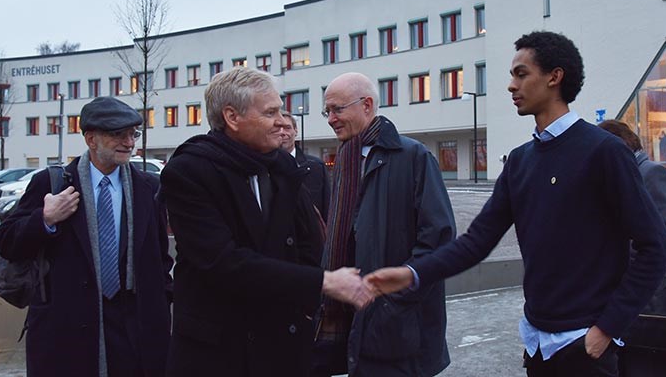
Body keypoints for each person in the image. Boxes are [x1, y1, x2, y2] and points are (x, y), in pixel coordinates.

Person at [367, 31, 666, 377]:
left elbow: (655, 246)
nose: (511, 85)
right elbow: (476, 242)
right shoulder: (520, 161)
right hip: (537, 343)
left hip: (585, 345)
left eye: (521, 74)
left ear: (555, 77)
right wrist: (412, 273)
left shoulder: (604, 152)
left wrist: (607, 328)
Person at [158, 67, 372, 377]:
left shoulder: (282, 164)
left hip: (282, 345)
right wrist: (324, 282)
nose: (282, 121)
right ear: (232, 117)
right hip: (220, 353)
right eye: (270, 112)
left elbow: (308, 244)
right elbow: (224, 263)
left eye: (281, 111)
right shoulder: (188, 172)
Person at [0, 96, 174, 377]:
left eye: (133, 134)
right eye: (118, 134)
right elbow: (6, 241)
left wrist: (161, 308)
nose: (129, 142)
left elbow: (160, 259)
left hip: (135, 331)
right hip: (68, 330)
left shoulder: (148, 188)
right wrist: (45, 219)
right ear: (91, 139)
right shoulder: (52, 183)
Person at [313, 72, 455, 377]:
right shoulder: (344, 163)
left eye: (337, 109)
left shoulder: (412, 156)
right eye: (327, 111)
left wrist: (390, 298)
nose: (330, 119)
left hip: (397, 325)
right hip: (352, 315)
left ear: (366, 105)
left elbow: (439, 240)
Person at [598, 119, 666, 377]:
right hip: (633, 306)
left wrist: (610, 257)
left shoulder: (652, 174)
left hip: (658, 307)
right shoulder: (623, 178)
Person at [280, 110, 330, 220]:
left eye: (287, 128)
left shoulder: (317, 167)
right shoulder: (263, 168)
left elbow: (327, 208)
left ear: (296, 131)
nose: (282, 132)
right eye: (278, 128)